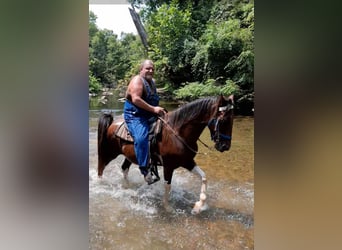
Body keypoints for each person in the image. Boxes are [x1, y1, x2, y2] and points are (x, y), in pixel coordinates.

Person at [123, 59, 166, 184]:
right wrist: (154, 109)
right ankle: (145, 170)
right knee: (141, 138)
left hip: (149, 114)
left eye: (152, 69)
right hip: (135, 115)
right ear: (141, 70)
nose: (151, 71)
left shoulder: (152, 82)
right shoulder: (137, 81)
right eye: (147, 68)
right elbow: (136, 99)